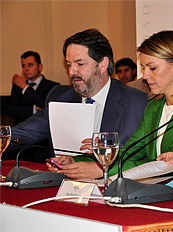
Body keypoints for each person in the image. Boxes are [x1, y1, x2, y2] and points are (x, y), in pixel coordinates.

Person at [52, 30, 173, 179]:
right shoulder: (154, 107)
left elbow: (167, 165)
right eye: (143, 68)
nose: (145, 76)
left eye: (152, 68)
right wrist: (75, 162)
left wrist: (101, 170)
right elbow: (128, 152)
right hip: (160, 190)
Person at [5, 29, 148, 169]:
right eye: (69, 64)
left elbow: (140, 159)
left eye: (80, 64)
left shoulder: (135, 102)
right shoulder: (60, 97)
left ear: (103, 64)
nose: (72, 72)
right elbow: (25, 132)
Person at [8, 51, 60, 125]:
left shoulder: (52, 86)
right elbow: (11, 110)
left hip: (42, 130)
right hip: (21, 128)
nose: (26, 69)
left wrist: (25, 87)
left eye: (30, 65)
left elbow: (45, 106)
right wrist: (34, 109)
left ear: (40, 67)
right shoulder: (18, 86)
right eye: (23, 66)